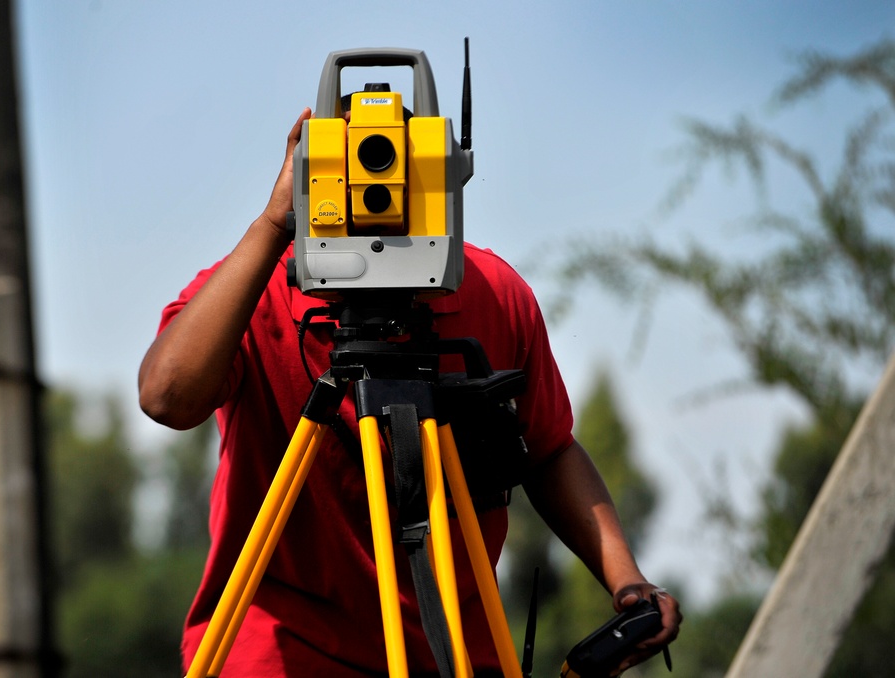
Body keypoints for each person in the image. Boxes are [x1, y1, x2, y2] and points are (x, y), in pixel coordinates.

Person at [139, 107, 681, 677]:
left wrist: (627, 580)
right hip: (283, 650)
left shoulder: (493, 295)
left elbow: (547, 448)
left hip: (452, 652)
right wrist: (274, 225)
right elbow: (167, 397)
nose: (379, 191)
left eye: (401, 168)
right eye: (355, 168)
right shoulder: (256, 294)